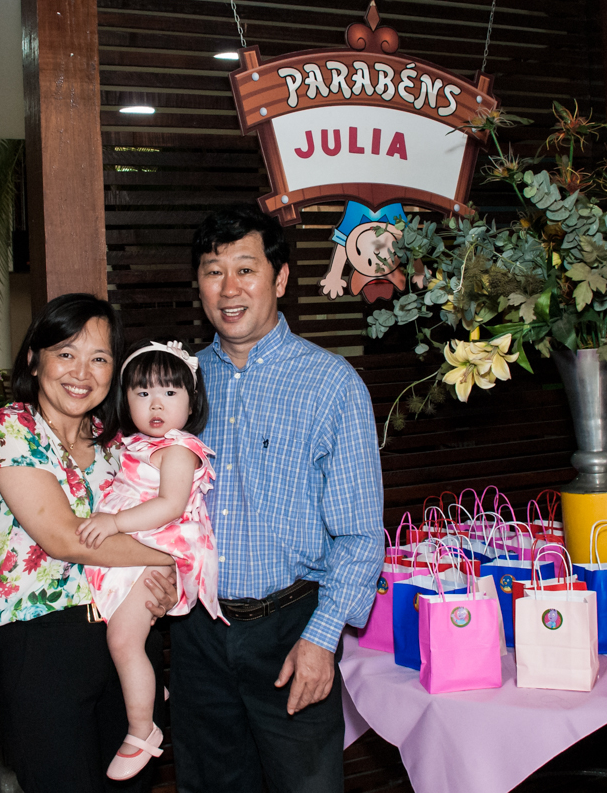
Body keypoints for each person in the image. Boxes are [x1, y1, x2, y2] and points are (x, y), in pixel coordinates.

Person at [171, 205, 385, 792]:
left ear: (281, 278)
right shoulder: (179, 383)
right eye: (214, 272)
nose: (229, 289)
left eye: (246, 269)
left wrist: (321, 638)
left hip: (292, 629)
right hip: (198, 632)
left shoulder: (331, 383)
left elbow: (361, 534)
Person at [0, 294, 179, 793]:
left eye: (99, 358)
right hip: (42, 646)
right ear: (35, 359)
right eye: (66, 353)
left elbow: (159, 524)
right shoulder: (13, 427)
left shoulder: (118, 443)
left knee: (133, 787)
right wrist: (176, 557)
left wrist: (169, 582)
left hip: (126, 641)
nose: (81, 373)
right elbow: (64, 538)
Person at [77, 339, 222, 781]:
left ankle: (143, 730)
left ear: (191, 402)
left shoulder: (179, 449)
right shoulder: (135, 444)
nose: (155, 403)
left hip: (163, 547)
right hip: (139, 545)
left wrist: (115, 522)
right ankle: (146, 688)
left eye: (169, 392)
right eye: (142, 393)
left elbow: (170, 505)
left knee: (123, 640)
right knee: (120, 635)